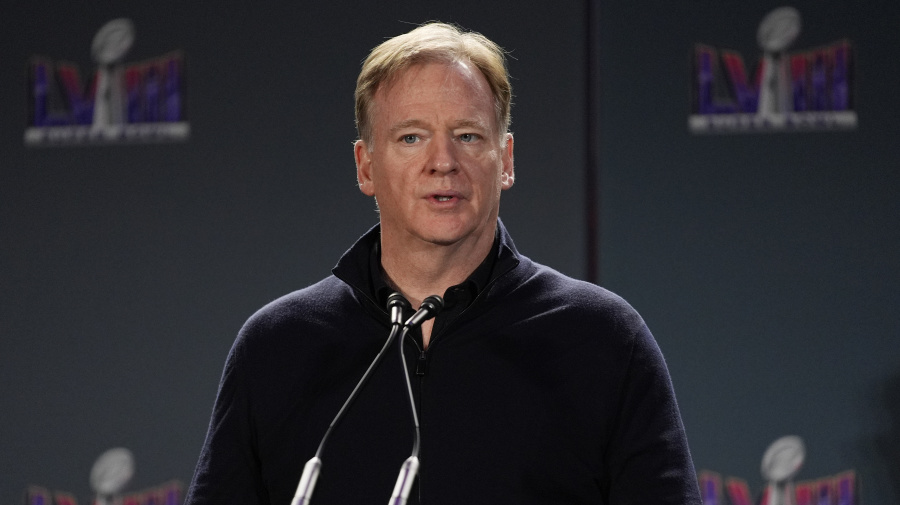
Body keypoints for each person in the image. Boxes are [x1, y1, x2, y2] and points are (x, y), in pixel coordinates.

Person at [185, 22, 701, 505]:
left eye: (468, 136)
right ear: (366, 166)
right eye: (411, 137)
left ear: (507, 160)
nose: (443, 162)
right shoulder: (278, 346)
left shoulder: (602, 339)